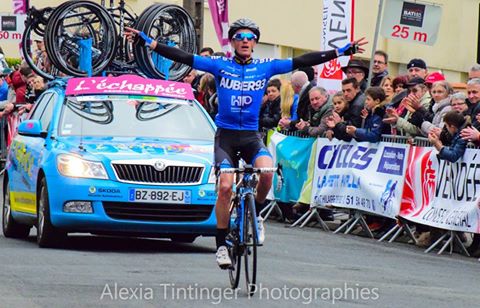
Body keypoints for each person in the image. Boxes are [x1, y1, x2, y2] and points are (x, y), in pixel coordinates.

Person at [125, 20, 367, 269]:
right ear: (233, 41)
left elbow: (303, 60)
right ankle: (221, 245)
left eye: (250, 37)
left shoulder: (265, 67)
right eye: (239, 36)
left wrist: (341, 52)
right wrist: (149, 41)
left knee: (267, 174)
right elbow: (184, 57)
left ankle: (256, 215)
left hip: (251, 136)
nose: (245, 40)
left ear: (255, 43)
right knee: (226, 187)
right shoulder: (220, 65)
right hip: (226, 136)